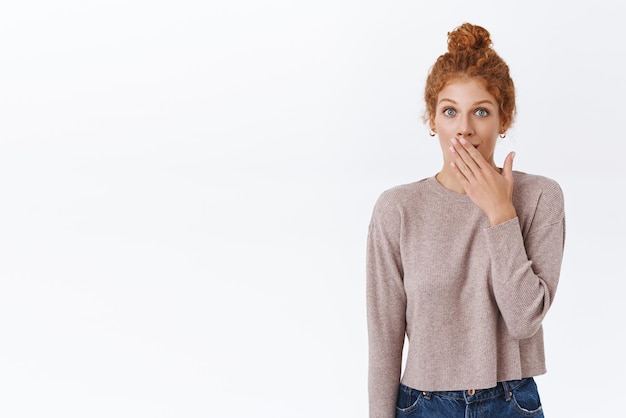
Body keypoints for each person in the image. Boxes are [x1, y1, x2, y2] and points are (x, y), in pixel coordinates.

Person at [366, 23, 565, 418]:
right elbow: (384, 340)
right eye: (450, 111)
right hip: (423, 404)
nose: (464, 128)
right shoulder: (397, 209)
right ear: (433, 120)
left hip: (511, 402)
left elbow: (525, 319)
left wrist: (500, 213)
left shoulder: (540, 198)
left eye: (481, 111)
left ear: (503, 119)